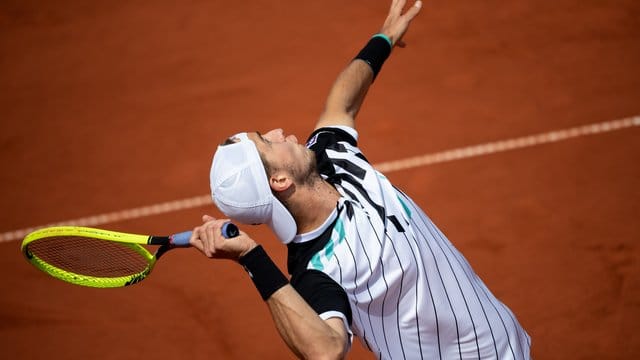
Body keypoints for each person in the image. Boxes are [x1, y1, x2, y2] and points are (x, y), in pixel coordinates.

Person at [189, 1, 531, 359]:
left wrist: (383, 39)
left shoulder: (331, 155)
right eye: (266, 141)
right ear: (278, 180)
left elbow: (342, 101)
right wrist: (251, 257)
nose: (278, 131)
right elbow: (326, 351)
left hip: (509, 344)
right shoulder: (317, 269)